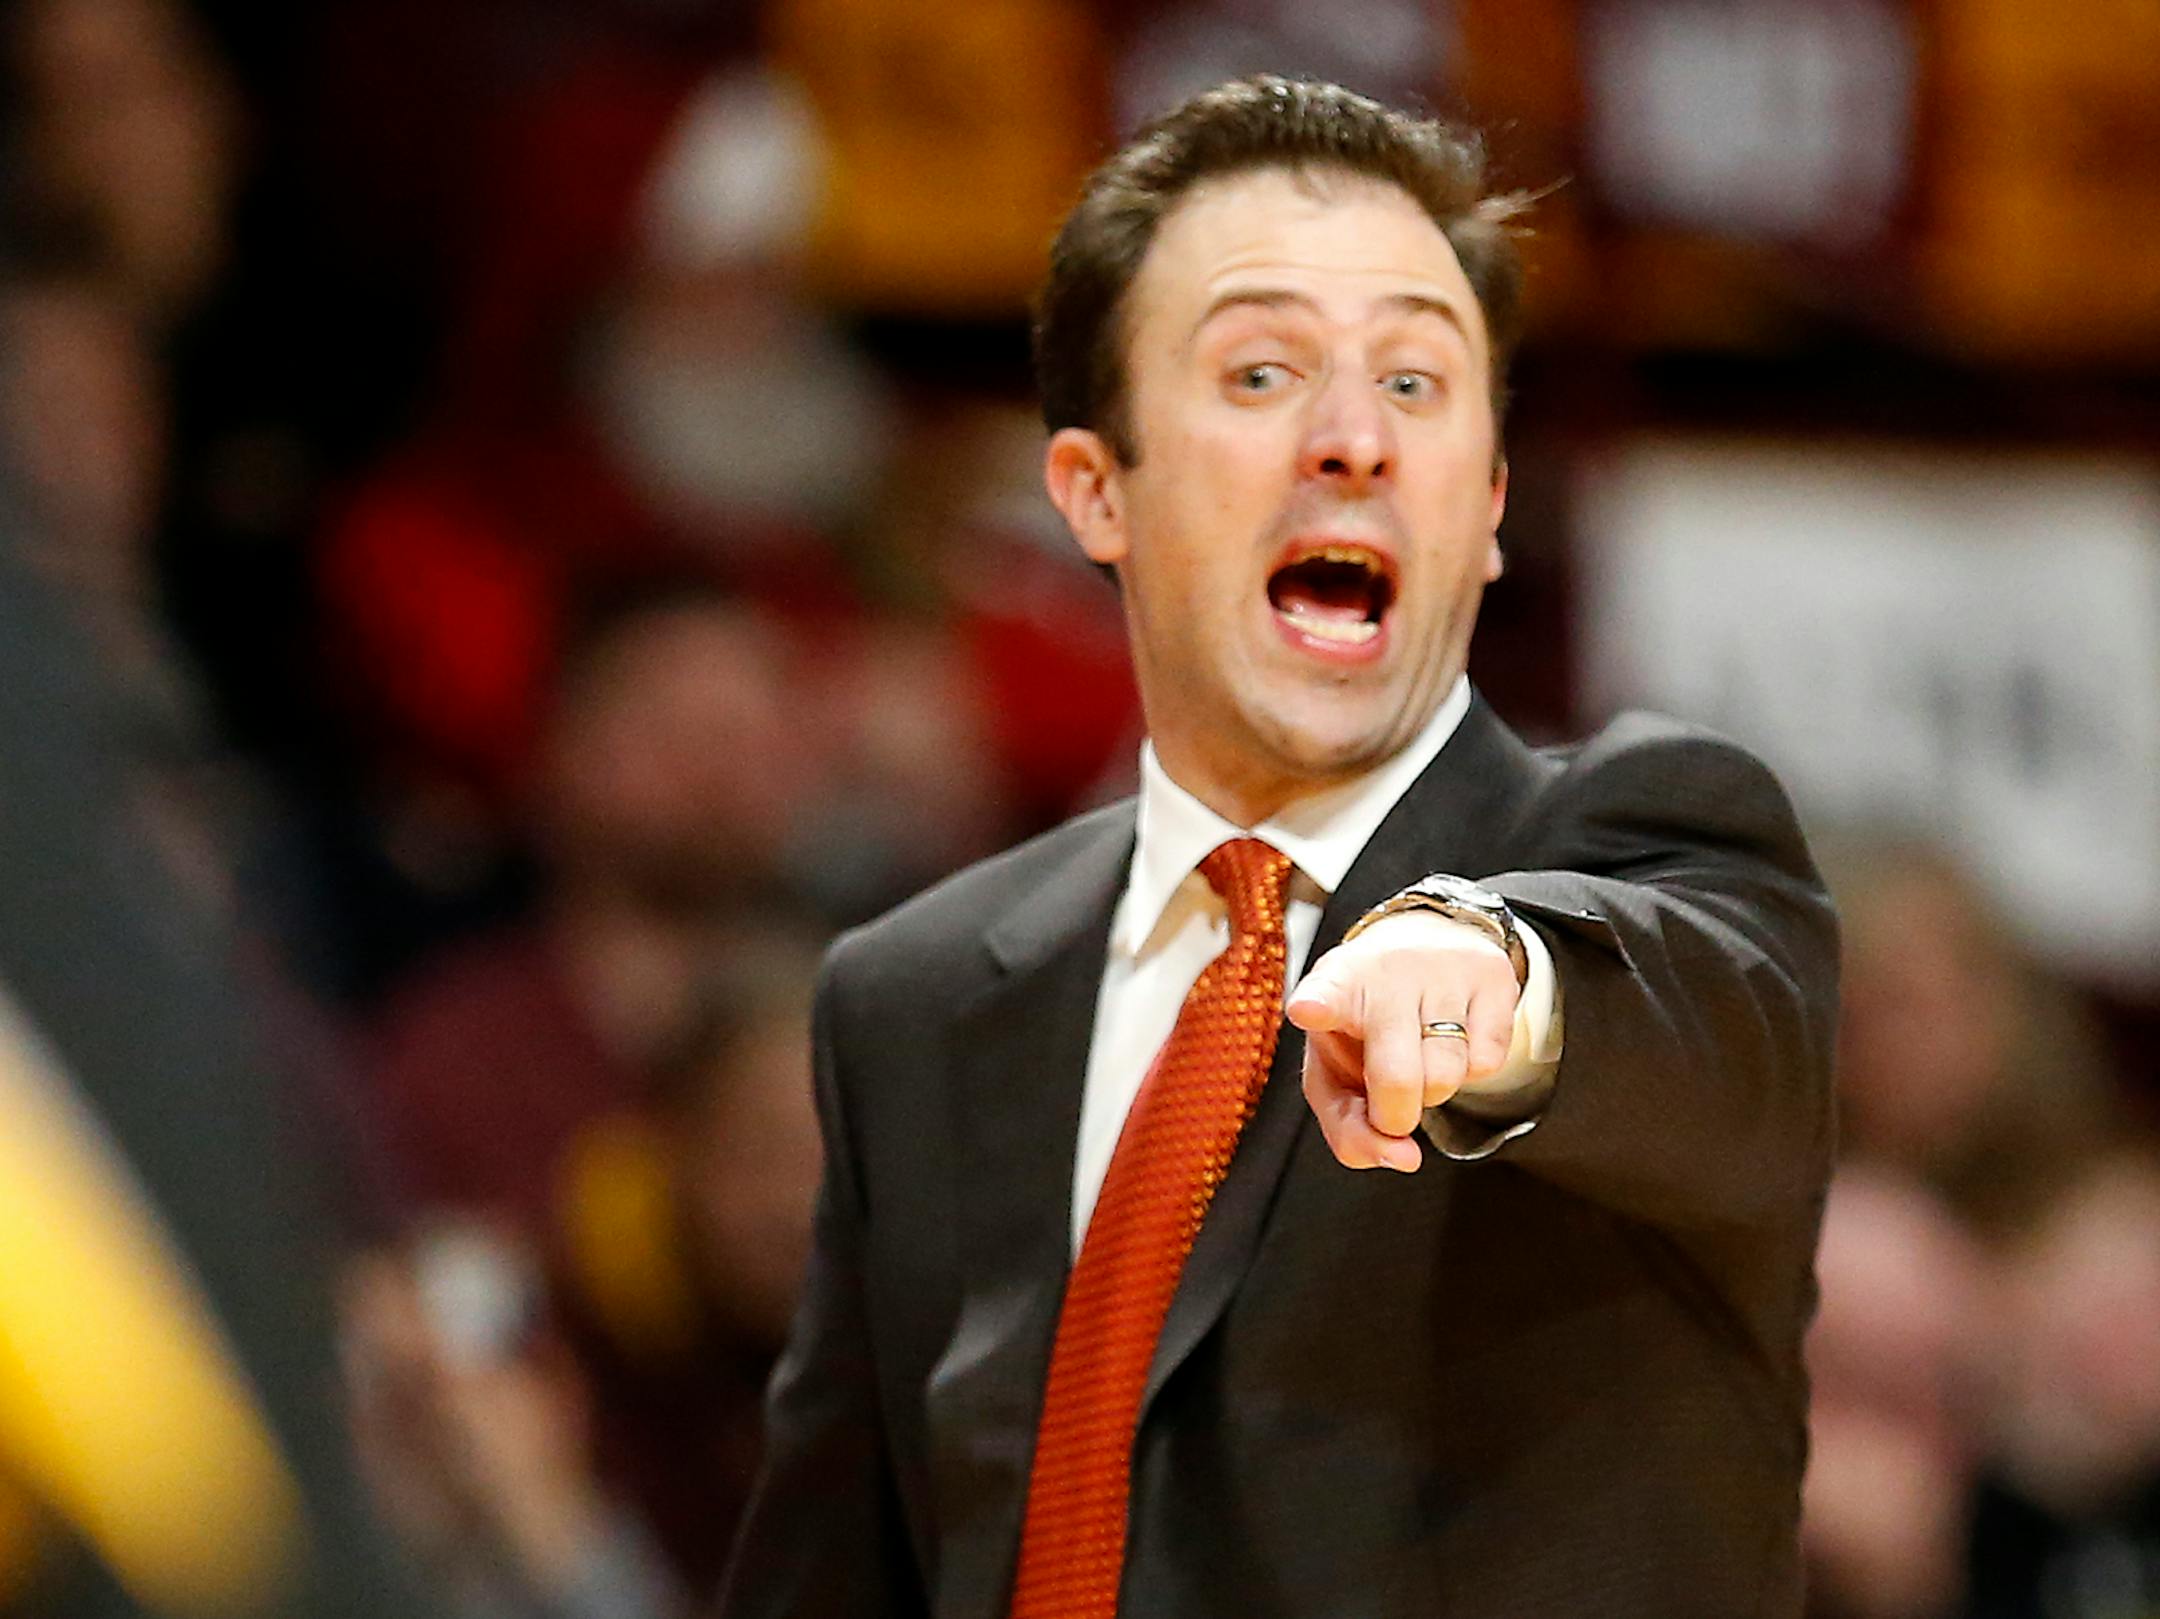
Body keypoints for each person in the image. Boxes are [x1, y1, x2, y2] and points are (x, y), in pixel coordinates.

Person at [720, 75, 1837, 1618]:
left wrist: (1496, 984)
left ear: (1493, 507)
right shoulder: (907, 1000)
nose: (1351, 441)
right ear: (1095, 491)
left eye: (1417, 384)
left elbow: (1705, 1015)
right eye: (1259, 372)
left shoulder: (1663, 833)